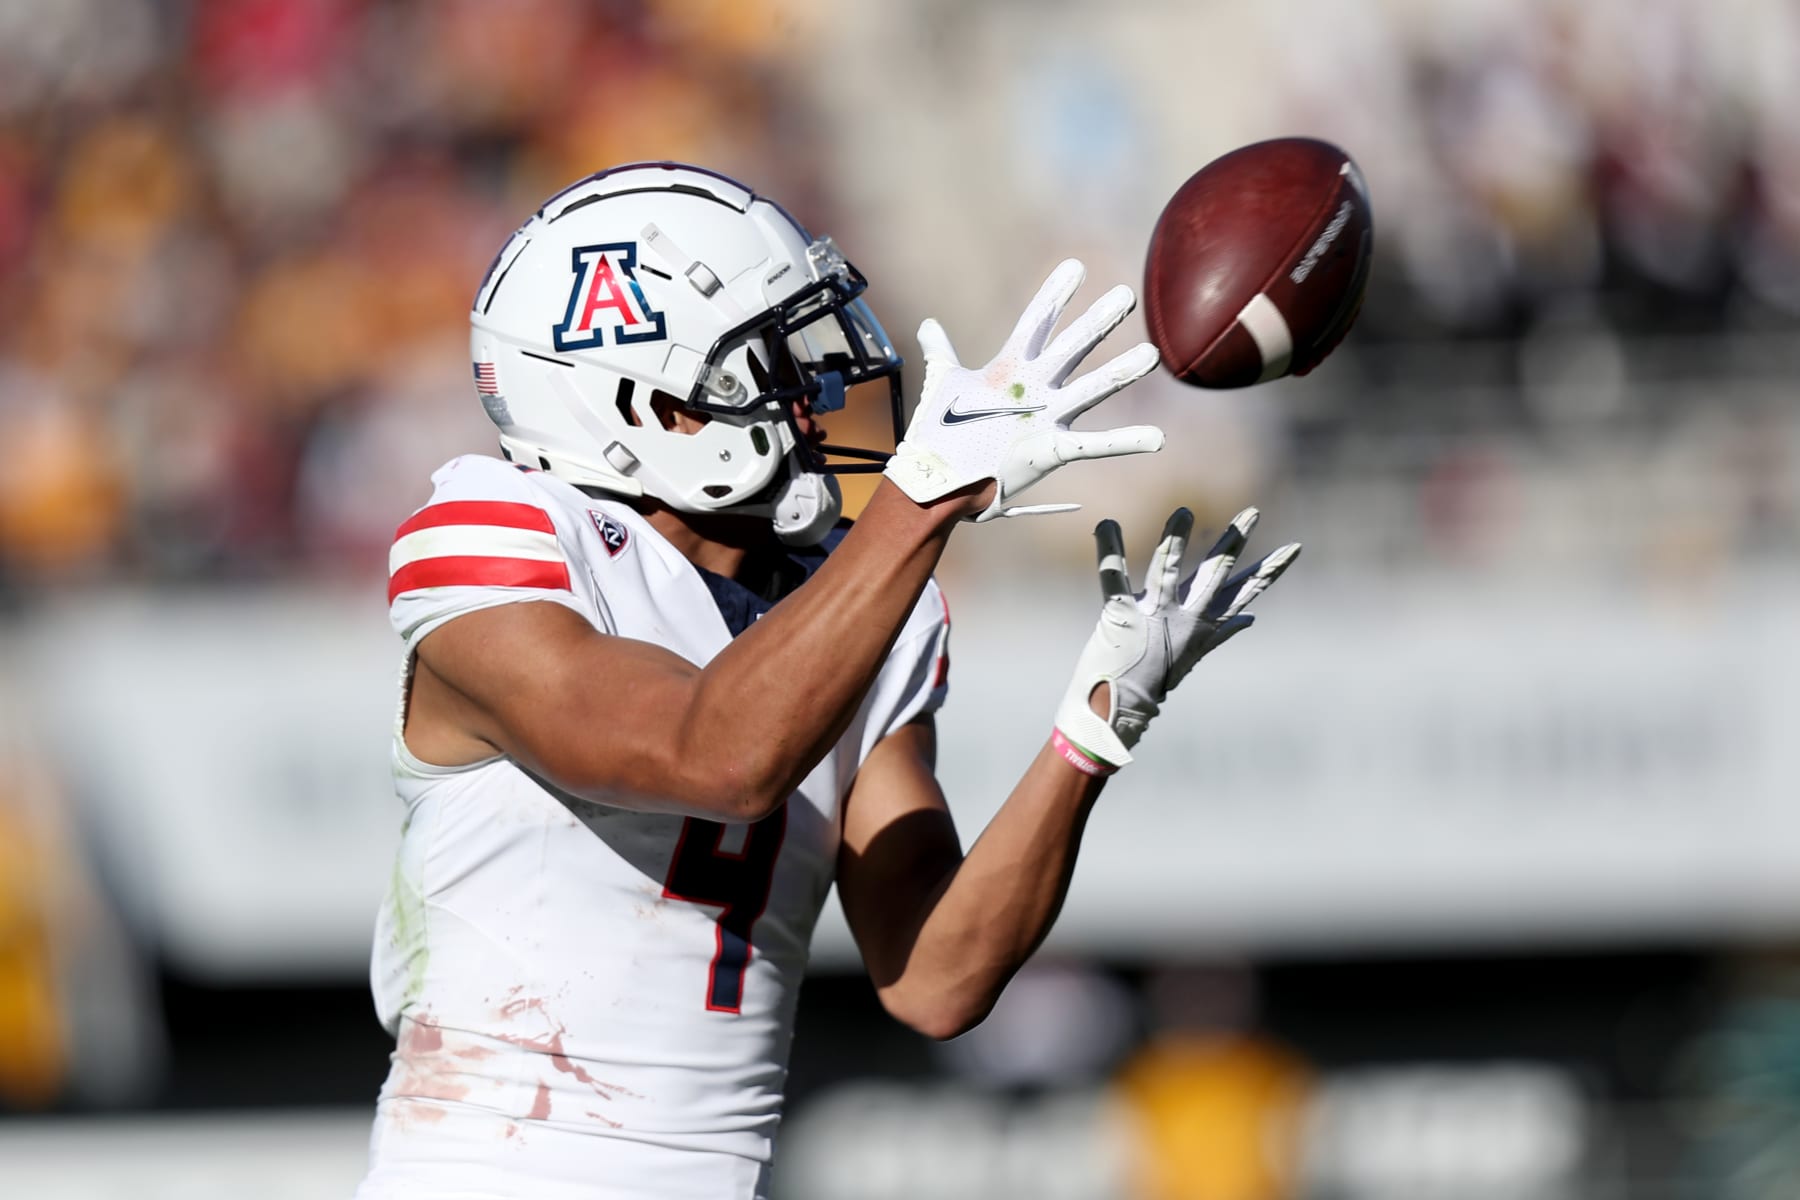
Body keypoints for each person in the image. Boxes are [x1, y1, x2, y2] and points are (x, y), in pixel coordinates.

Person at [355, 161, 1298, 1200]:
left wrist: (1097, 728)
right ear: (652, 405)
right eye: (766, 367)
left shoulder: (854, 607)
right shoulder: (499, 535)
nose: (817, 400)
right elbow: (713, 757)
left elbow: (936, 977)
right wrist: (919, 502)